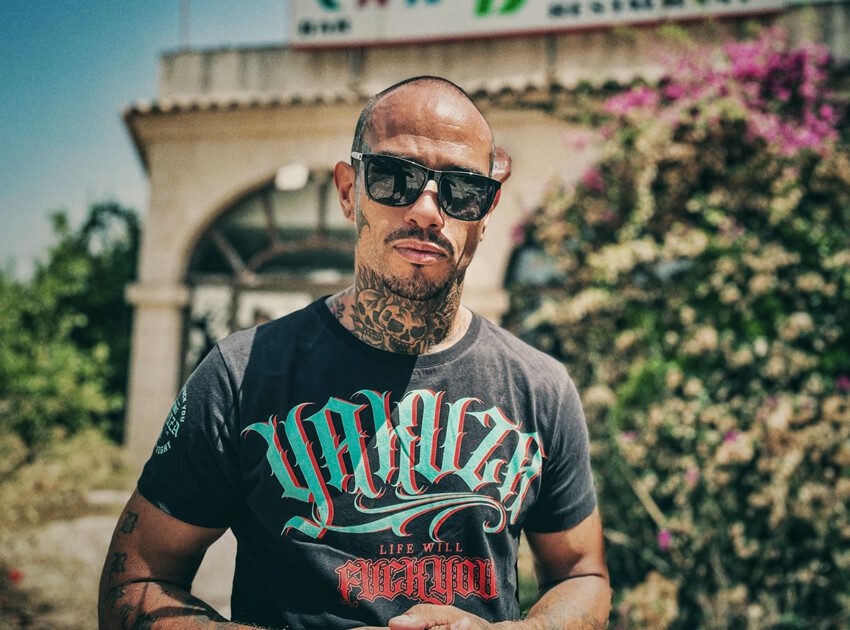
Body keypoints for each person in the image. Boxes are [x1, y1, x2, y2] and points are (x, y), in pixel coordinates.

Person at [98, 75, 611, 630]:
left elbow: (581, 573)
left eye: (462, 189)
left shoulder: (540, 389)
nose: (427, 210)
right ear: (349, 191)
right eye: (394, 177)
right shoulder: (241, 375)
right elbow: (137, 580)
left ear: (485, 213)